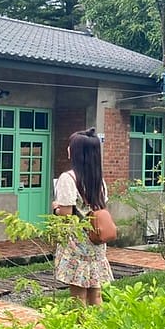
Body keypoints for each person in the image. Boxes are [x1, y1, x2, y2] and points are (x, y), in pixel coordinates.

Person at [51, 128, 113, 306]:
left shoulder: (68, 178)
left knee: (78, 295)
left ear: (77, 152)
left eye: (71, 146)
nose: (68, 148)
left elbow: (66, 215)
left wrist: (56, 208)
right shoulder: (99, 179)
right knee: (96, 292)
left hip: (77, 242)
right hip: (96, 240)